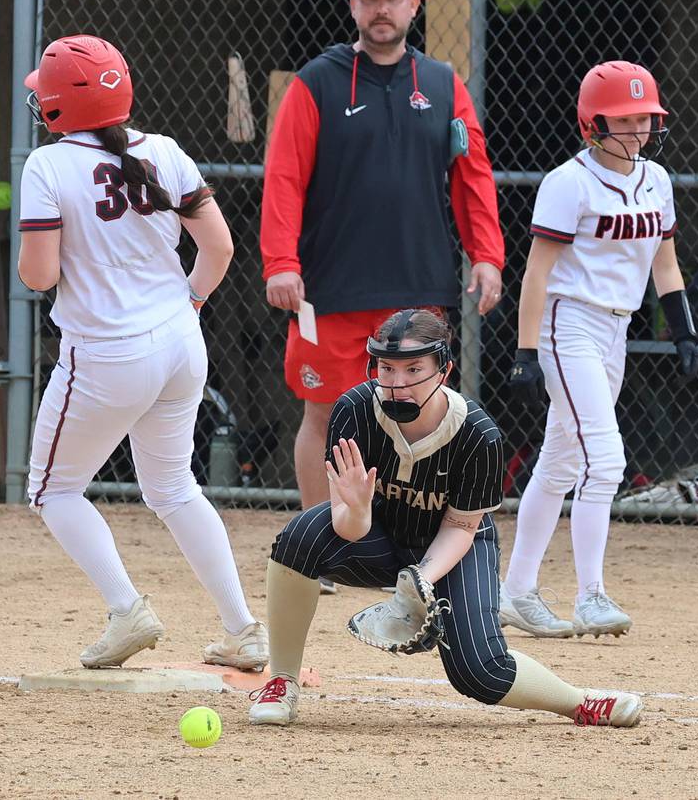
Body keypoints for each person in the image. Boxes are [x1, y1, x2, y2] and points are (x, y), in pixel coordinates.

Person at [247, 309, 642, 728]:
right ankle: (282, 680)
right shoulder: (355, 411)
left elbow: (461, 527)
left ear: (444, 371)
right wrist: (359, 510)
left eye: (414, 368)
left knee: (481, 673)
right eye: (387, 368)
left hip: (455, 546)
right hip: (379, 536)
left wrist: (421, 579)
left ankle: (581, 702)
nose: (397, 384)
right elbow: (346, 525)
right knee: (300, 536)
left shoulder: (477, 433)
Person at [18, 35, 268, 670]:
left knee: (53, 491)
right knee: (174, 486)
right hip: (181, 345)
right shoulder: (163, 150)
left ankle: (127, 608)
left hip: (105, 354)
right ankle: (243, 628)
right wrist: (190, 302)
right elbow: (220, 249)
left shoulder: (47, 166)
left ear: (56, 108)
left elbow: (39, 277)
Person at [260, 0, 505, 591]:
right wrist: (281, 262)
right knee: (323, 417)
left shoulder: (445, 84)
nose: (381, 9)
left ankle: (420, 558)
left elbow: (472, 176)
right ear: (352, 5)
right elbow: (284, 178)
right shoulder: (315, 82)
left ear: (413, 7)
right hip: (333, 289)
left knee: (424, 424)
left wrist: (487, 254)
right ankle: (324, 551)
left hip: (419, 287)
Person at [501, 61, 698, 638]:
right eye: (626, 118)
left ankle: (516, 592)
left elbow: (664, 261)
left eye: (646, 117)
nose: (639, 129)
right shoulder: (569, 183)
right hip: (570, 325)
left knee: (561, 459)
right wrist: (526, 350)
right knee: (604, 459)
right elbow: (536, 275)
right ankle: (591, 594)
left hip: (617, 329)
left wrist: (683, 328)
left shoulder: (655, 179)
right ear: (594, 122)